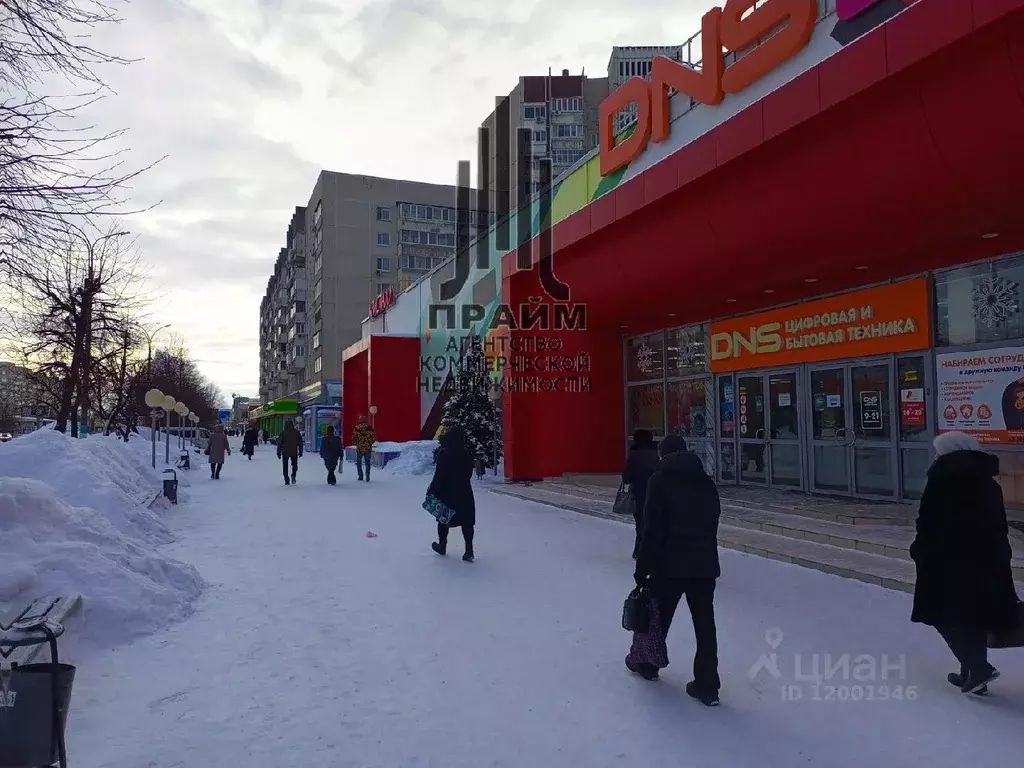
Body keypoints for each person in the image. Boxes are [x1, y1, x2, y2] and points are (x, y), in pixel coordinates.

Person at [910, 431, 1019, 695]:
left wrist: (920, 550)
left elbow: (930, 523)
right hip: (989, 558)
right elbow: (999, 524)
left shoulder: (942, 481)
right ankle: (970, 673)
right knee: (974, 614)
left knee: (940, 613)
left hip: (948, 560)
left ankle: (977, 666)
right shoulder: (986, 481)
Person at [631, 434, 722, 707]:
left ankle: (648, 665)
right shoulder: (705, 482)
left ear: (663, 454)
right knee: (705, 626)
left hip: (669, 565)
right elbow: (714, 517)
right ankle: (708, 686)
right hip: (704, 566)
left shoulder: (659, 481)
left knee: (659, 617)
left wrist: (642, 568)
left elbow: (652, 530)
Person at [428, 425, 476, 562]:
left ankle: (442, 546)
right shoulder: (467, 453)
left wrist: (432, 490)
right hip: (464, 491)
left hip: (447, 492)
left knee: (443, 519)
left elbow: (439, 476)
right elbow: (469, 473)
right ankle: (469, 550)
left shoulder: (444, 454)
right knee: (467, 521)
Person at [622, 429, 660, 559]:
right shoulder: (657, 454)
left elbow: (626, 478)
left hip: (639, 494)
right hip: (657, 494)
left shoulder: (634, 456)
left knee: (641, 524)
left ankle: (640, 550)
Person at [352, 415, 376, 482]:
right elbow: (373, 438)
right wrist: (369, 443)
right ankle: (367, 476)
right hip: (368, 448)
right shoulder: (370, 428)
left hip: (359, 448)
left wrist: (358, 443)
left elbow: (353, 438)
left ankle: (360, 476)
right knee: (367, 463)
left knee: (359, 462)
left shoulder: (356, 428)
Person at [277, 421, 302, 485]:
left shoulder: (283, 433)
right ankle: (293, 475)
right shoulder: (297, 432)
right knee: (294, 465)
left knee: (285, 466)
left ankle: (286, 479)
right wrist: (301, 451)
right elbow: (300, 443)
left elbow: (279, 444)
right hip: (294, 452)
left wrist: (278, 452)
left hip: (285, 452)